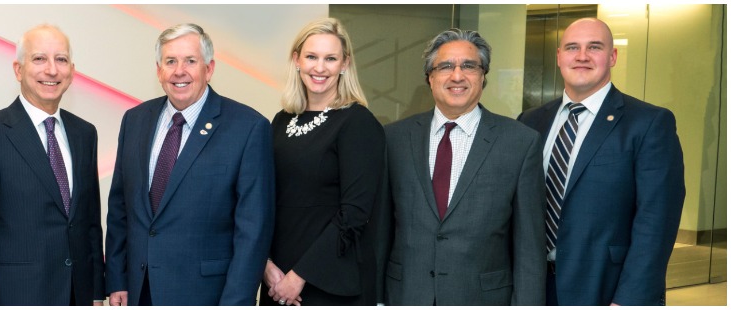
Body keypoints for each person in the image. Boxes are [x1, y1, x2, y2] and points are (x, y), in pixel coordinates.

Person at [516, 18, 685, 306]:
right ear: (559, 57)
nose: (581, 56)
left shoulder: (648, 123)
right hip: (534, 288)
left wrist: (630, 300)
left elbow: (657, 222)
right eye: (572, 47)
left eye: (594, 47)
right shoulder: (530, 122)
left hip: (607, 290)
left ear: (613, 56)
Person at [104, 23, 274, 306]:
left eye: (190, 61)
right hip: (138, 292)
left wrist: (236, 302)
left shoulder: (248, 128)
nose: (179, 71)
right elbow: (120, 208)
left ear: (209, 68)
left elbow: (253, 231)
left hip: (206, 296)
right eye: (170, 61)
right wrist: (117, 280)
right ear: (159, 70)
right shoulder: (134, 120)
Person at [382, 28, 546, 306]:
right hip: (406, 296)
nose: (457, 76)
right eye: (445, 66)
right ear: (430, 78)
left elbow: (529, 248)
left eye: (469, 66)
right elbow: (381, 233)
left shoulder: (520, 142)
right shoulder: (393, 138)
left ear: (483, 77)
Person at [0, 24, 104, 306]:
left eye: (61, 59)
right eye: (39, 59)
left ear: (72, 70)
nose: (51, 70)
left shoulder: (85, 133)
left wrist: (96, 292)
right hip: (15, 297)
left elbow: (89, 223)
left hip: (77, 296)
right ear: (18, 69)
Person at [259, 17, 384, 306]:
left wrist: (300, 275)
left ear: (345, 64)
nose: (319, 67)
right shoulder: (281, 120)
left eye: (330, 58)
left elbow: (355, 213)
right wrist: (265, 265)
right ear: (297, 60)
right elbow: (264, 201)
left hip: (329, 282)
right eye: (311, 56)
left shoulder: (357, 122)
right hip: (275, 280)